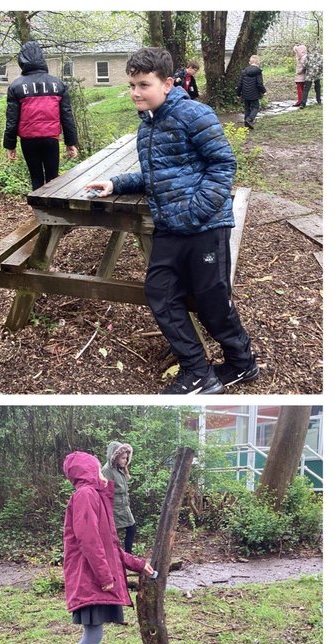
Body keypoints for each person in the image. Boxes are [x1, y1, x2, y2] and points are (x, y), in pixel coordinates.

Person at [85, 47, 259, 394]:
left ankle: (242, 363)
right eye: (132, 85)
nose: (135, 93)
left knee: (211, 300)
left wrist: (195, 212)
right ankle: (197, 371)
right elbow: (157, 175)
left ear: (167, 84)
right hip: (169, 226)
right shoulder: (148, 125)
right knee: (160, 293)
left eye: (143, 85)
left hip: (204, 225)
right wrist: (117, 183)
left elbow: (223, 165)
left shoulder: (194, 114)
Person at [53, 451, 155, 644]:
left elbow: (110, 545)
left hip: (95, 575)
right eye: (97, 468)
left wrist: (137, 563)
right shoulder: (85, 495)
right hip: (89, 577)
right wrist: (105, 577)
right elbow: (88, 541)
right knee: (93, 634)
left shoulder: (95, 495)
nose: (101, 472)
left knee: (93, 630)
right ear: (87, 471)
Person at [2, 41, 80, 190]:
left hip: (28, 140)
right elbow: (67, 116)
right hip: (51, 139)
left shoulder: (16, 86)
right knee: (53, 180)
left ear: (22, 59)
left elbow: (12, 120)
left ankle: (36, 205)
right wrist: (70, 142)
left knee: (36, 180)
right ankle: (52, 205)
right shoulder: (58, 84)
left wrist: (10, 145)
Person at [100, 440, 137, 553]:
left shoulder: (119, 469)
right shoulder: (107, 470)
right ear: (115, 457)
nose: (125, 460)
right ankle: (114, 556)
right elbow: (104, 492)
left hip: (124, 507)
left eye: (126, 458)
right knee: (112, 534)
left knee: (132, 528)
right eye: (123, 458)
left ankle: (127, 555)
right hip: (114, 509)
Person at [237, 56, 268, 129]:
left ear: (250, 62)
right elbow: (259, 84)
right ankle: (249, 119)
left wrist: (238, 94)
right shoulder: (258, 72)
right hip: (254, 94)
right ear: (258, 62)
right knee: (255, 107)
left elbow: (240, 84)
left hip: (245, 93)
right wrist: (264, 91)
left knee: (247, 108)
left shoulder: (244, 71)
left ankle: (246, 123)